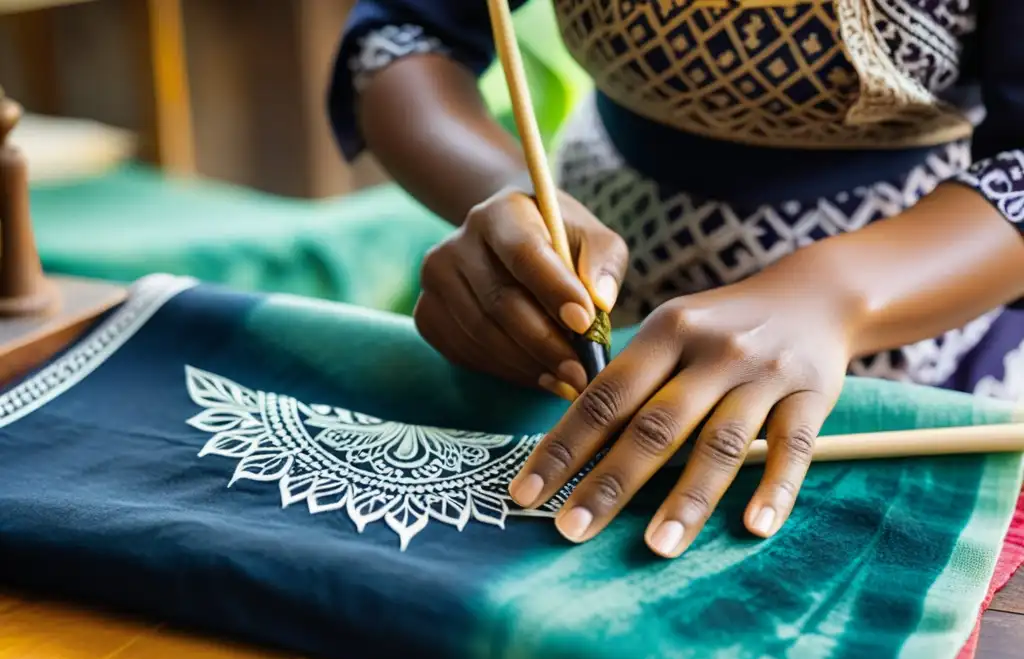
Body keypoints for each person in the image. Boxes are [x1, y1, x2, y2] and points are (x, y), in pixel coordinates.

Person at [328, 1, 1024, 559]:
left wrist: (835, 296)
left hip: (922, 315)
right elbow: (404, 29)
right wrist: (512, 205)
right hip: (578, 303)